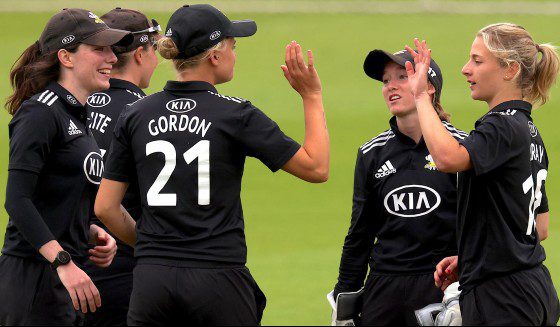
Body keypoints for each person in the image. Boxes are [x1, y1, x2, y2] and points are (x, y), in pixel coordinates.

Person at [93, 4, 329, 325]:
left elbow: (106, 207)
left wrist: (152, 247)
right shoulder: (235, 114)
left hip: (152, 282)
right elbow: (316, 168)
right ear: (215, 56)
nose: (235, 52)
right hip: (217, 281)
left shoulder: (136, 113)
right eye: (233, 45)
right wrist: (311, 95)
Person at [404, 23, 560, 325]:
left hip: (503, 297)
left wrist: (421, 97)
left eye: (477, 60)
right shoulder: (529, 133)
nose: (465, 69)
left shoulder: (501, 125)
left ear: (510, 69)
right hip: (532, 289)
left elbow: (448, 158)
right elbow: (538, 228)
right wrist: (473, 257)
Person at [0, 8, 132, 325]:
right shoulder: (40, 113)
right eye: (99, 49)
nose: (112, 58)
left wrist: (88, 231)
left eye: (112, 49)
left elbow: (54, 198)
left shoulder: (76, 113)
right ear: (66, 57)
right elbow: (17, 200)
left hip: (63, 280)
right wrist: (63, 261)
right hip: (33, 280)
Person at [331, 49, 466, 326]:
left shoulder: (461, 149)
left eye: (402, 77)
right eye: (385, 81)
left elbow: (479, 228)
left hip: (441, 284)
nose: (390, 86)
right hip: (384, 288)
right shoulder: (372, 153)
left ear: (428, 87)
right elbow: (360, 234)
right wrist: (343, 300)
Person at [83, 8, 161, 326]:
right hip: (123, 279)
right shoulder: (145, 115)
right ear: (140, 54)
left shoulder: (62, 106)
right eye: (155, 50)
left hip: (59, 270)